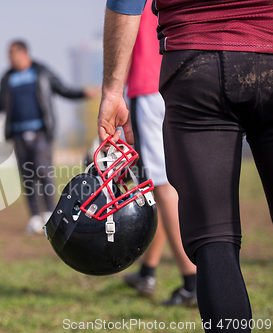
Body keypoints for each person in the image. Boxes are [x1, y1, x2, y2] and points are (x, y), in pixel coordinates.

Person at [98, 1, 273, 332]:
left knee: (214, 238)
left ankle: (169, 275)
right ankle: (156, 272)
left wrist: (111, 89)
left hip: (196, 64)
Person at [122, 1, 197, 306]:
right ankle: (148, 270)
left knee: (162, 187)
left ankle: (192, 281)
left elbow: (122, 41)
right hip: (177, 83)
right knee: (168, 183)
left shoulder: (134, 3)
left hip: (147, 89)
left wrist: (112, 94)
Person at [0, 40, 98, 234]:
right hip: (18, 135)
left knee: (43, 173)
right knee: (28, 177)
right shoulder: (7, 78)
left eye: (12, 53)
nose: (8, 58)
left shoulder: (41, 72)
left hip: (41, 133)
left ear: (24, 52)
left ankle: (50, 213)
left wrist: (83, 93)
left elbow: (63, 89)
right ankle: (35, 217)